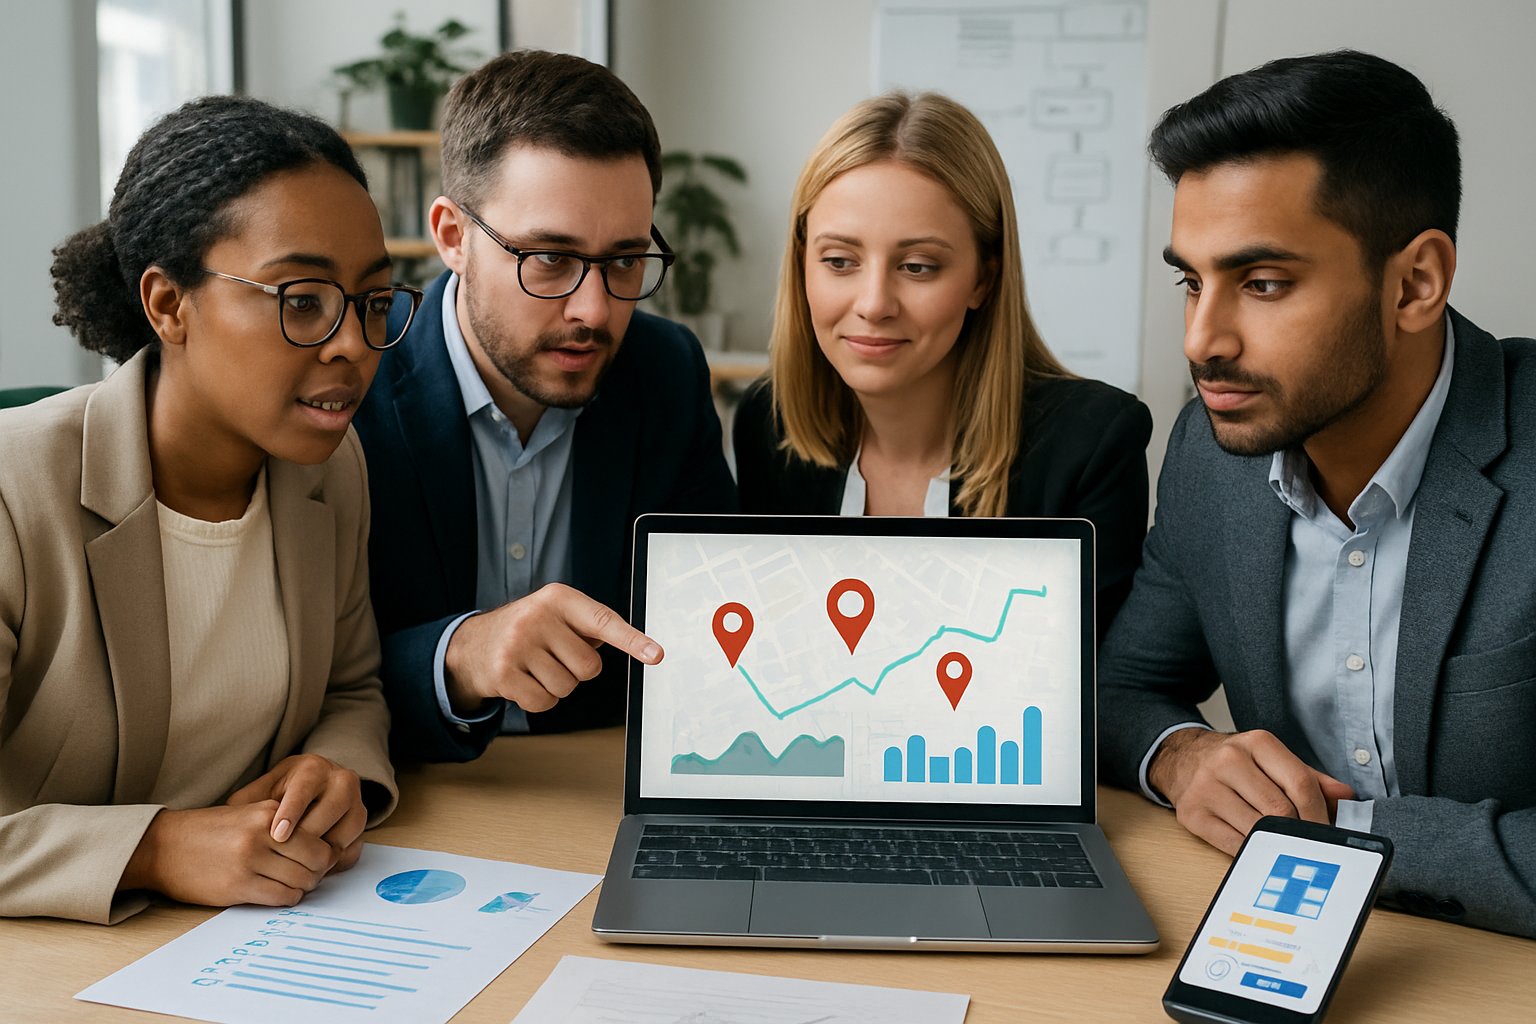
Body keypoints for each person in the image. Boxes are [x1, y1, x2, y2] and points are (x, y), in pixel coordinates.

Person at [1098, 50, 1536, 938]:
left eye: (1262, 284)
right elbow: (1120, 690)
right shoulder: (1211, 452)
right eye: (1192, 281)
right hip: (1280, 942)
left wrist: (1343, 833)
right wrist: (1185, 756)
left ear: (1415, 283)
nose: (1202, 340)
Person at [0, 96, 408, 923]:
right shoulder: (15, 491)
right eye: (302, 299)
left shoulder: (330, 472)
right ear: (167, 304)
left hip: (255, 935)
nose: (353, 345)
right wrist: (156, 849)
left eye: (371, 302)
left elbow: (351, 688)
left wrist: (334, 771)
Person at [353, 50, 736, 763]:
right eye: (550, 260)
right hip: (409, 785)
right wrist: (457, 657)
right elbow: (305, 669)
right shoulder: (356, 380)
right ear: (453, 237)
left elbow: (711, 631)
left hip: (592, 779)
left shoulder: (665, 371)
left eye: (624, 261)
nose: (594, 311)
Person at [733, 92, 1152, 636]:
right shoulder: (768, 424)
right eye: (838, 261)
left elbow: (1095, 678)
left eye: (917, 266)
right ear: (802, 265)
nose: (874, 304)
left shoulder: (1089, 445)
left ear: (983, 279)